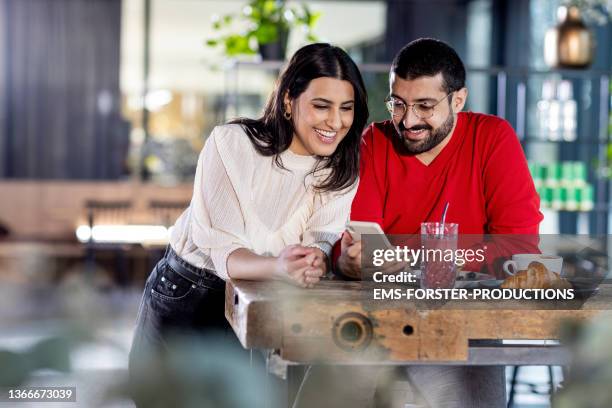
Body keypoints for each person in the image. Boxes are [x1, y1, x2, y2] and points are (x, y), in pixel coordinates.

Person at [128, 43, 369, 404]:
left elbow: (319, 241)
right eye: (321, 106)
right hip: (191, 294)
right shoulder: (232, 144)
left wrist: (317, 261)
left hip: (262, 303)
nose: (335, 122)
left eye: (346, 109)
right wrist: (281, 266)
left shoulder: (340, 170)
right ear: (289, 100)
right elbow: (226, 255)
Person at [331, 38, 543, 407]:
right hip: (386, 318)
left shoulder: (492, 139)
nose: (409, 120)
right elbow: (353, 237)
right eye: (398, 104)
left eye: (425, 106)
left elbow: (520, 247)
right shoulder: (374, 142)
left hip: (471, 320)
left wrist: (419, 257)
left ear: (458, 100)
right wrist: (346, 260)